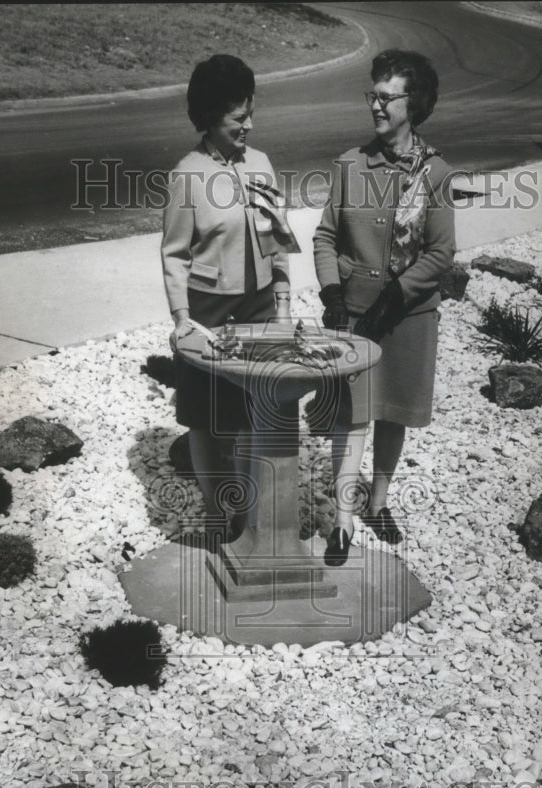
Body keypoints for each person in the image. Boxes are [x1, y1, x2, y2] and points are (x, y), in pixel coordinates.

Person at [312, 49, 455, 566]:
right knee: (350, 416)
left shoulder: (434, 172)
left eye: (385, 97)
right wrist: (332, 293)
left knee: (391, 411)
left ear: (412, 105)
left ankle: (379, 501)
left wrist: (397, 294)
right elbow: (326, 237)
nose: (375, 105)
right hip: (354, 313)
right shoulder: (350, 166)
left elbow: (441, 253)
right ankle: (343, 522)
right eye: (372, 94)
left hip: (408, 313)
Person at [162, 54, 298, 539]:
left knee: (248, 417)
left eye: (250, 115)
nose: (249, 125)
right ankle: (217, 508)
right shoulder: (187, 174)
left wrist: (282, 300)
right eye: (239, 118)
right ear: (210, 116)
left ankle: (244, 510)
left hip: (258, 307)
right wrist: (181, 318)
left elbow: (278, 237)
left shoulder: (260, 164)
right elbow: (175, 254)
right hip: (207, 313)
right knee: (203, 417)